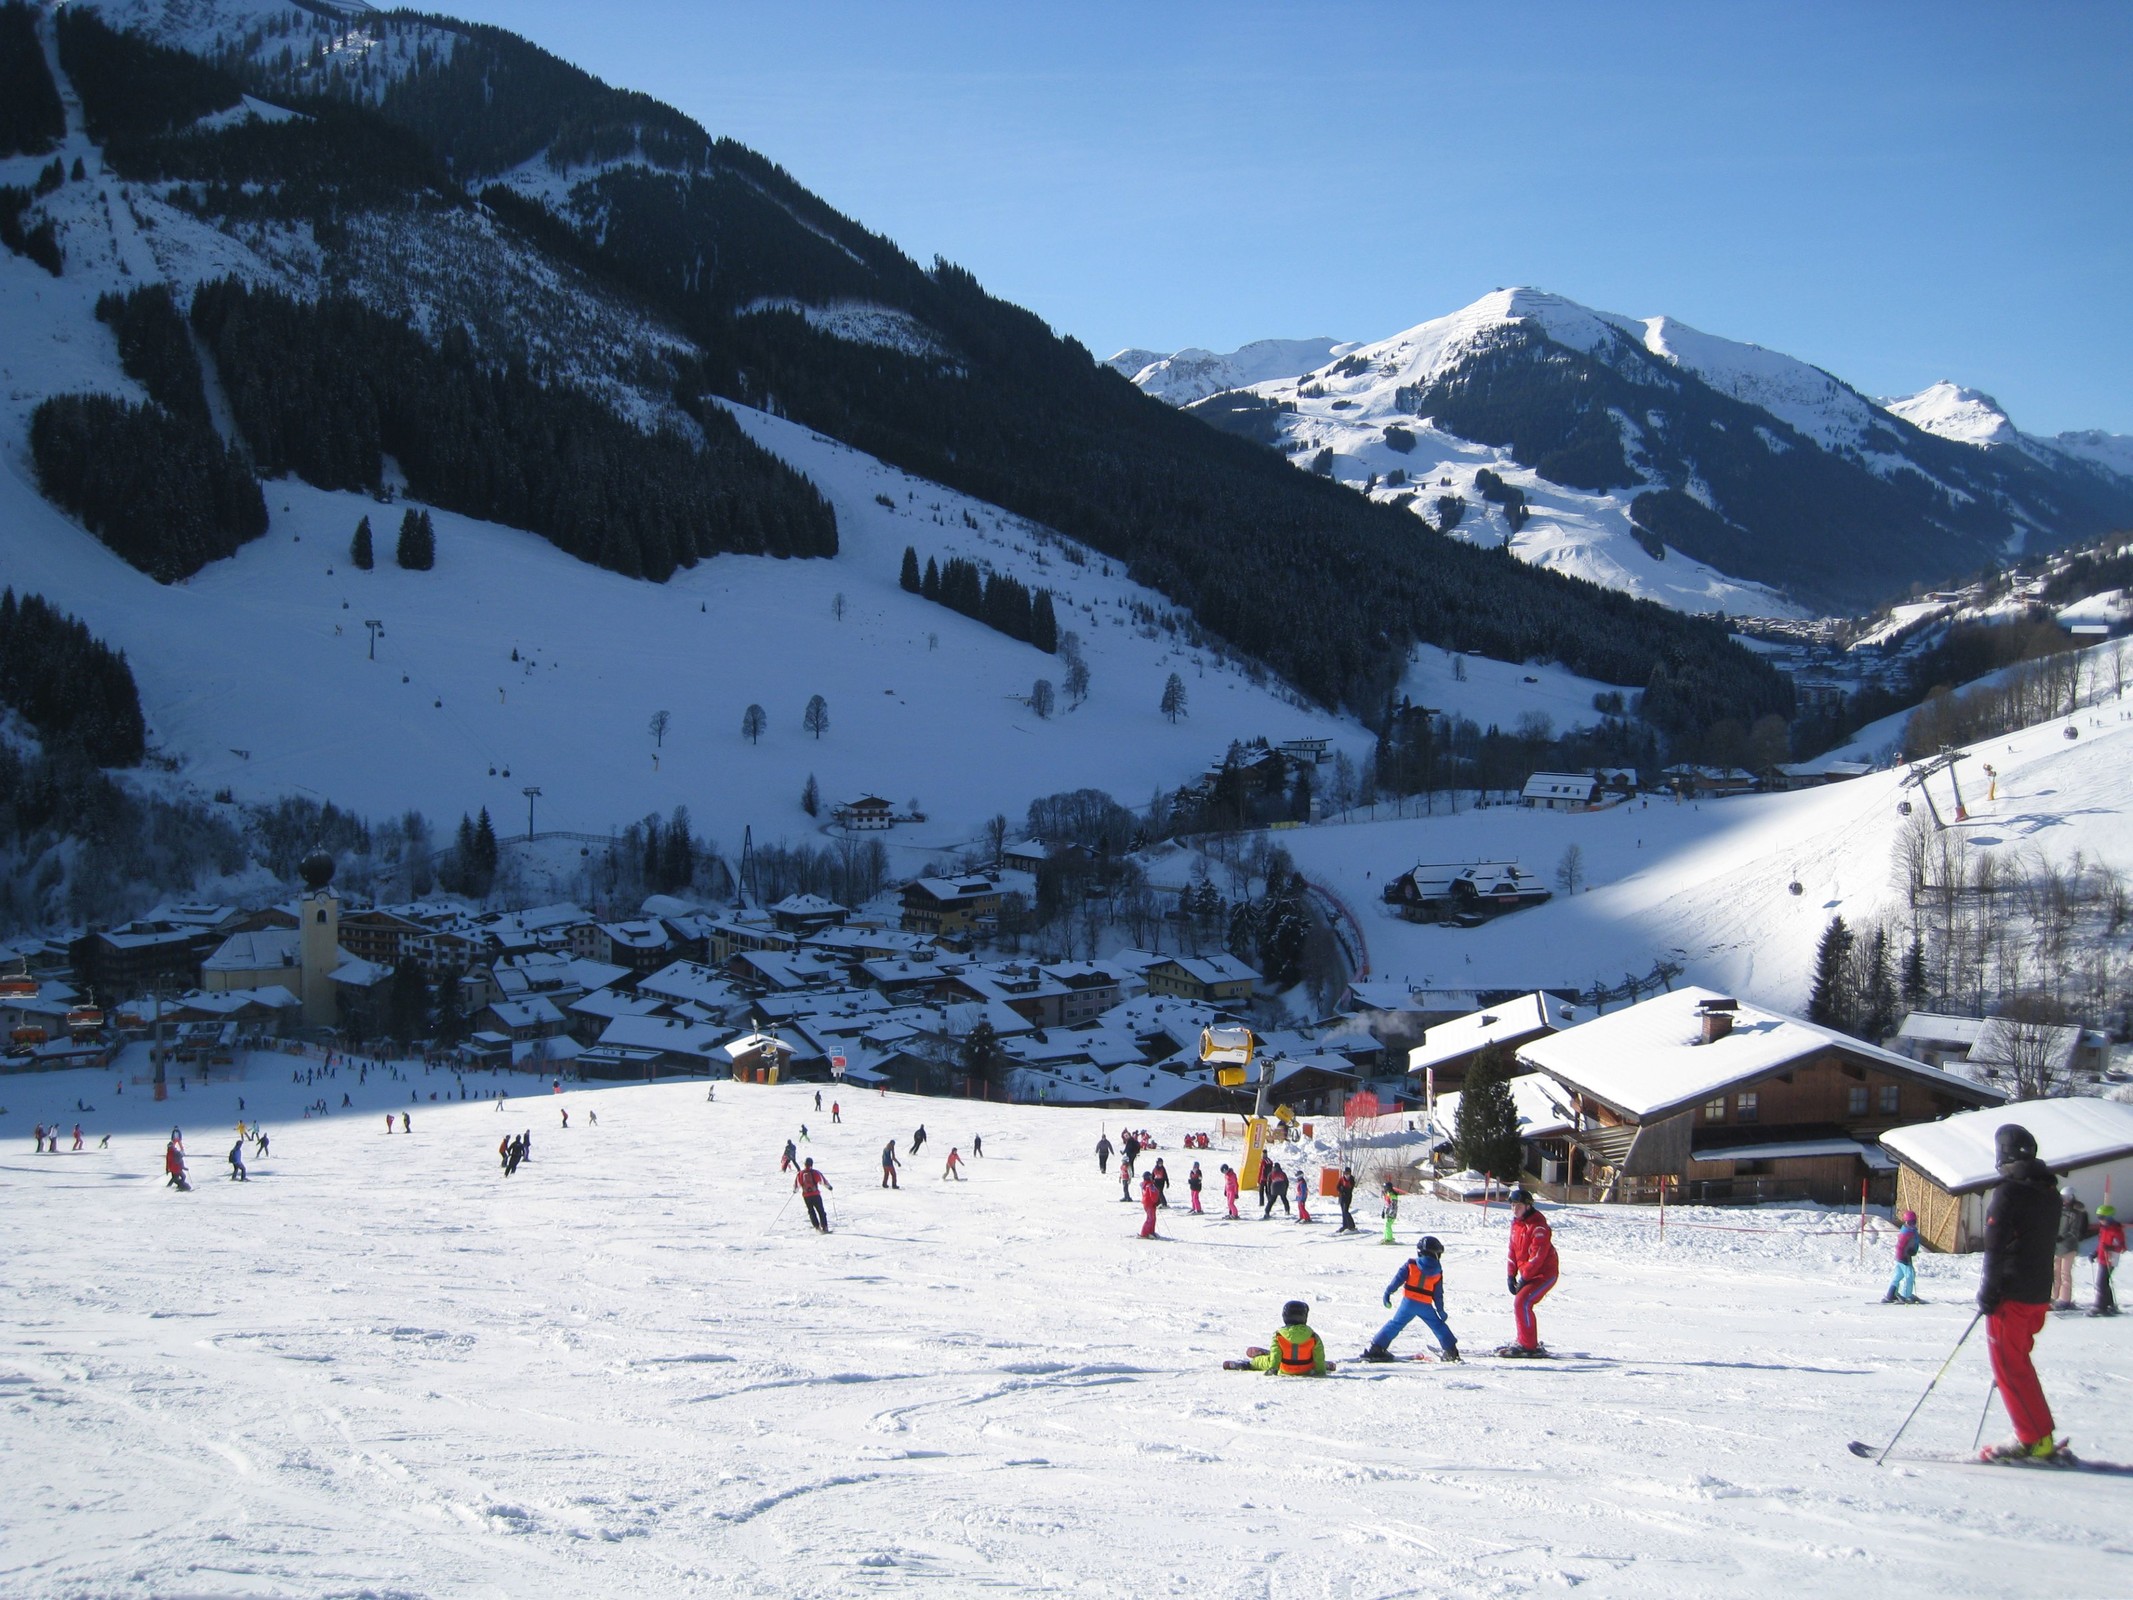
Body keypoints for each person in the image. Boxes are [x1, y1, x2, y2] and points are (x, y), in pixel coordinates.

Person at [1977, 1123, 2063, 1460]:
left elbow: (1994, 1246)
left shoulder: (2008, 1192)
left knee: (2008, 1366)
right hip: (2038, 1292)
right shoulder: (2049, 1192)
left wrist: (1989, 1288)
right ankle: (2038, 1433)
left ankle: (2033, 1439)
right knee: (2019, 1364)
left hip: (2011, 1294)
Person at [1365, 1236, 1460, 1362]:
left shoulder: (1411, 1264)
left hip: (1408, 1303)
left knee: (1395, 1324)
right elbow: (1438, 1294)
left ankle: (1376, 1348)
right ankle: (1451, 1351)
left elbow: (1398, 1279)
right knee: (1438, 1326)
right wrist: (1440, 1310)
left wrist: (1388, 1292)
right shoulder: (1438, 1271)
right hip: (1425, 1305)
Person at [1503, 1188, 1559, 1356]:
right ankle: (1524, 1339)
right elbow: (1513, 1250)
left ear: (1528, 1206)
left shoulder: (1538, 1226)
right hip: (1529, 1274)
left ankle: (1528, 1345)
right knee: (1521, 1303)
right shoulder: (1517, 1225)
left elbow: (1537, 1257)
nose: (1515, 1209)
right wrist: (1511, 1275)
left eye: (1518, 1206)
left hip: (1544, 1274)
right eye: (1512, 1206)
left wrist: (1524, 1278)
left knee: (1523, 1302)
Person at [1225, 1300, 1329, 1375]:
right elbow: (1318, 1354)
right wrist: (1320, 1371)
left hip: (1284, 1368)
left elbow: (1276, 1356)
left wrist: (1273, 1369)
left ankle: (1248, 1364)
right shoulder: (1313, 1336)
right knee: (1312, 1359)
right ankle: (1323, 1365)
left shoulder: (1279, 1335)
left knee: (1263, 1361)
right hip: (1306, 1369)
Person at [2054, 1193, 2090, 1310]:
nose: (2064, 1200)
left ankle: (2064, 1299)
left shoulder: (2076, 1213)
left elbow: (2075, 1231)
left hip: (2069, 1247)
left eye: (2066, 1198)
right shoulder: (2058, 1211)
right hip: (2057, 1247)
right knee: (2056, 1272)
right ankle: (2054, 1297)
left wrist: (2063, 1237)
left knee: (2065, 1273)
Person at [1884, 1210, 1922, 1304]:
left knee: (1898, 1274)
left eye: (1914, 1222)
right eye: (1910, 1222)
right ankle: (1906, 1295)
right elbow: (1900, 1247)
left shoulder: (1910, 1231)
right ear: (1906, 1222)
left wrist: (1913, 1250)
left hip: (1902, 1257)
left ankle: (1890, 1294)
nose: (1912, 1224)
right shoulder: (1906, 1233)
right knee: (1910, 1276)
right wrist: (1904, 1256)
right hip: (1904, 1258)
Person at [2094, 1203, 2123, 1317]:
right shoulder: (2104, 1229)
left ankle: (2101, 1306)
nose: (2100, 1220)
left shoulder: (2116, 1230)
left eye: (2101, 1217)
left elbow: (2121, 1247)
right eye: (2098, 1217)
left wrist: (2111, 1248)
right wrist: (2095, 1252)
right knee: (2104, 1282)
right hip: (2102, 1258)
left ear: (2109, 1217)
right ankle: (2109, 1304)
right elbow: (2101, 1244)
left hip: (2110, 1259)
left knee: (2101, 1283)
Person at [795, 1158, 833, 1232]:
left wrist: (795, 1191)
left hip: (806, 1196)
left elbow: (797, 1186)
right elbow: (823, 1181)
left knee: (811, 1211)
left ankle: (817, 1227)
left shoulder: (800, 1173)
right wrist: (829, 1187)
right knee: (821, 1211)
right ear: (811, 1164)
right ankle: (824, 1227)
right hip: (815, 1195)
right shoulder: (815, 1172)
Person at [1138, 1170, 1160, 1239]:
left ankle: (1151, 1232)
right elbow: (1152, 1195)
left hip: (1147, 1203)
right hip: (1150, 1204)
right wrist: (1155, 1202)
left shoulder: (1145, 1185)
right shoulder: (1149, 1185)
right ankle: (1144, 1233)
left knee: (1152, 1218)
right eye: (1150, 1177)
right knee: (1150, 1219)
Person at [1336, 1167, 1358, 1233]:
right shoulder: (1341, 1179)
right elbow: (1337, 1187)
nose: (1346, 1175)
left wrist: (1345, 1190)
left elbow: (1350, 1188)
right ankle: (1345, 1225)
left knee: (1346, 1211)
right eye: (1345, 1173)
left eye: (1348, 1173)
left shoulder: (1351, 1180)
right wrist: (1341, 1190)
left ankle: (1351, 1225)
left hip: (1347, 1197)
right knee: (1343, 1212)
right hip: (1342, 1197)